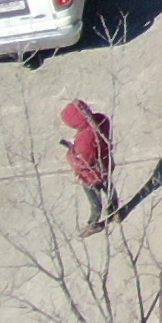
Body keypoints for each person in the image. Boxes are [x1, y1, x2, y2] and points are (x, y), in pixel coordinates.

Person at [60, 98, 114, 233]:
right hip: (105, 165)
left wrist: (70, 153)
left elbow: (83, 161)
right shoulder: (101, 121)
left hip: (90, 176)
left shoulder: (85, 138)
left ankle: (93, 223)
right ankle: (114, 207)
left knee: (94, 200)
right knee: (108, 186)